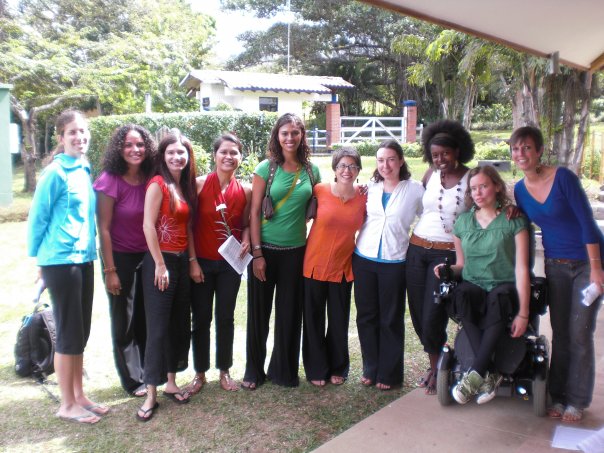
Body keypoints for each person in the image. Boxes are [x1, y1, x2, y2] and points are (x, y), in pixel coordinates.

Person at [512, 126, 603, 422]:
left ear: (539, 151)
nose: (521, 153)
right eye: (516, 148)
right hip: (555, 264)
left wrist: (597, 269)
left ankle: (577, 400)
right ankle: (558, 396)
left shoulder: (563, 178)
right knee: (561, 332)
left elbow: (587, 223)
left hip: (587, 263)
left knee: (580, 332)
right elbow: (524, 224)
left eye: (527, 147)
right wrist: (511, 212)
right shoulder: (520, 190)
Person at [28, 109, 108, 424]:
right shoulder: (55, 173)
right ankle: (66, 404)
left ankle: (79, 395)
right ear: (61, 137)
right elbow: (38, 218)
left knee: (80, 332)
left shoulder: (83, 168)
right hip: (60, 261)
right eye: (72, 132)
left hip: (84, 258)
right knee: (68, 333)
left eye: (83, 131)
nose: (79, 137)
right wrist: (40, 262)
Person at [434, 165, 530, 405]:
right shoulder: (463, 222)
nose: (477, 193)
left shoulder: (513, 220)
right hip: (475, 284)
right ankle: (490, 373)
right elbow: (462, 265)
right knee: (462, 294)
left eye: (483, 186)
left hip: (504, 286)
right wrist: (447, 270)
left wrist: (524, 313)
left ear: (496, 186)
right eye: (473, 188)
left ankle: (475, 373)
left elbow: (521, 268)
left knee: (499, 296)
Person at [243, 113, 321, 389]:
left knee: (289, 314)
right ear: (277, 136)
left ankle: (284, 371)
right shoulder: (266, 168)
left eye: (295, 133)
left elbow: (321, 205)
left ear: (302, 136)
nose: (290, 138)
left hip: (296, 252)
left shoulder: (312, 171)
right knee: (259, 314)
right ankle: (253, 371)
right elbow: (254, 212)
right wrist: (257, 254)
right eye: (285, 133)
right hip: (264, 251)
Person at [406, 120, 474, 395]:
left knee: (433, 312)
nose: (440, 159)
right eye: (435, 155)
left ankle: (439, 369)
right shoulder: (430, 175)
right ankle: (435, 363)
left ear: (458, 151)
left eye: (445, 153)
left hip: (447, 254)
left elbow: (490, 202)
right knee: (417, 312)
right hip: (417, 248)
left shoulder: (471, 177)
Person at [137, 131, 198, 421]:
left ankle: (171, 382)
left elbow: (186, 228)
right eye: (171, 152)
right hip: (160, 263)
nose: (177, 157)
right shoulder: (157, 184)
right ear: (163, 155)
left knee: (177, 325)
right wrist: (160, 264)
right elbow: (148, 226)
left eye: (182, 152)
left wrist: (192, 261)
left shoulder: (182, 186)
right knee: (158, 329)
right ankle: (151, 394)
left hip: (181, 262)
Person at [353, 139, 424, 390]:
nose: (386, 165)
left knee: (391, 318)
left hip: (395, 261)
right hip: (364, 258)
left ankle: (389, 374)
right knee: (366, 316)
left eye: (391, 159)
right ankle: (370, 368)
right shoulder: (369, 189)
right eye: (381, 160)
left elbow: (430, 216)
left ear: (401, 161)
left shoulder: (415, 190)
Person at [94, 124, 157, 398]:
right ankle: (132, 379)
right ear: (119, 148)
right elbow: (103, 229)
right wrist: (110, 270)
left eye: (140, 144)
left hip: (148, 257)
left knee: (144, 318)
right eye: (129, 145)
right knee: (125, 321)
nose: (135, 149)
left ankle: (147, 372)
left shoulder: (149, 177)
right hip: (120, 258)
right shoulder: (110, 180)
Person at [186, 133, 251, 394]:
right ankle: (200, 373)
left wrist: (246, 238)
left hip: (229, 265)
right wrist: (192, 261)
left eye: (234, 152)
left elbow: (245, 224)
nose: (229, 157)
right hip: (201, 262)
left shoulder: (245, 190)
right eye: (224, 152)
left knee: (225, 317)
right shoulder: (198, 185)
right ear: (214, 155)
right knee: (201, 318)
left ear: (240, 157)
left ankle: (224, 371)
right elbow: (188, 226)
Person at [302, 148, 366, 387]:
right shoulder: (319, 190)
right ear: (335, 169)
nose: (347, 170)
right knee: (313, 319)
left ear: (358, 170)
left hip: (343, 267)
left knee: (339, 320)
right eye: (342, 166)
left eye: (352, 166)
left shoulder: (364, 196)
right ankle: (316, 368)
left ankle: (338, 367)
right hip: (314, 265)